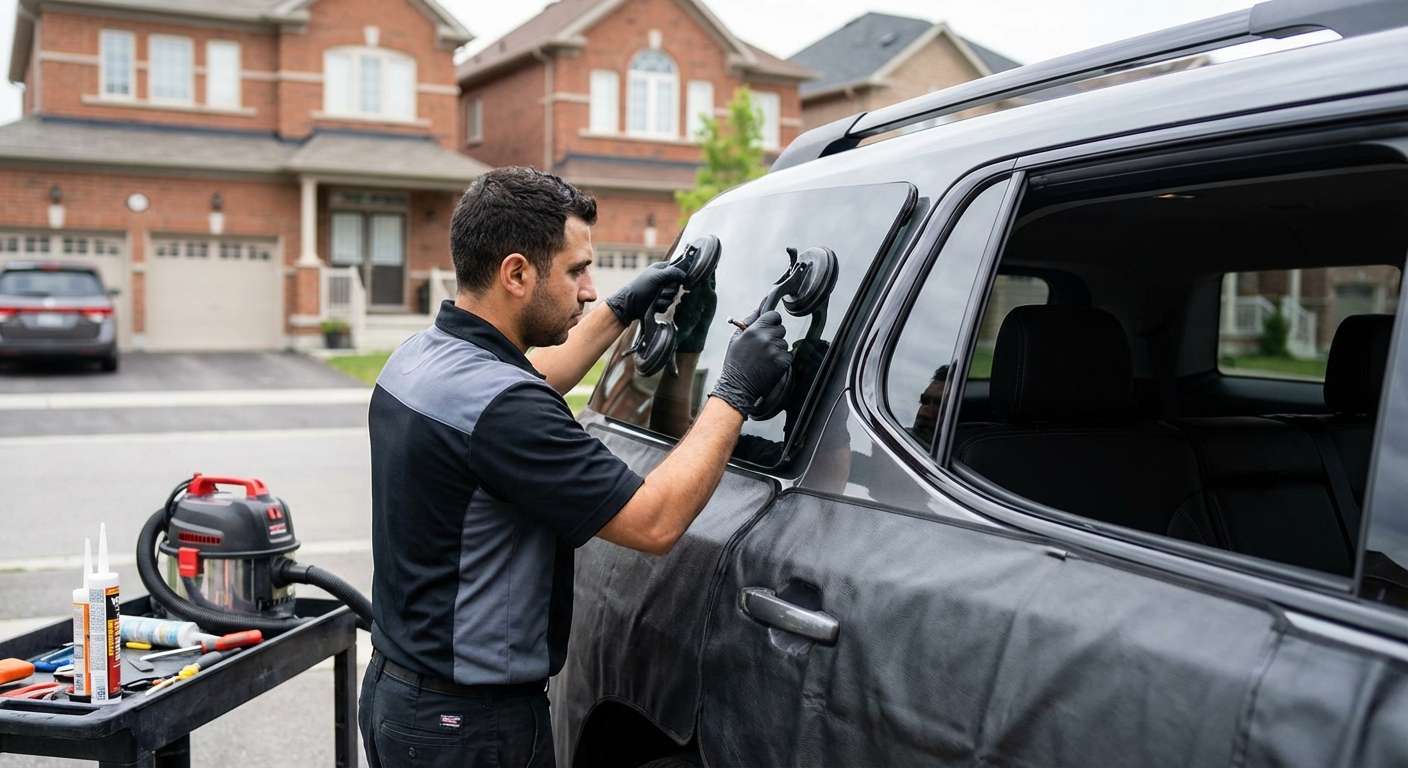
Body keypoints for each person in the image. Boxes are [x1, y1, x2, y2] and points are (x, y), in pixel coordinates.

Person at [358, 166, 792, 768]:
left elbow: (531, 385)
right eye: (576, 271)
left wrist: (619, 311)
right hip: (471, 730)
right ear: (516, 273)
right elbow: (656, 521)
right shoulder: (505, 410)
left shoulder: (422, 359)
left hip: (400, 699)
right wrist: (735, 391)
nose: (588, 288)